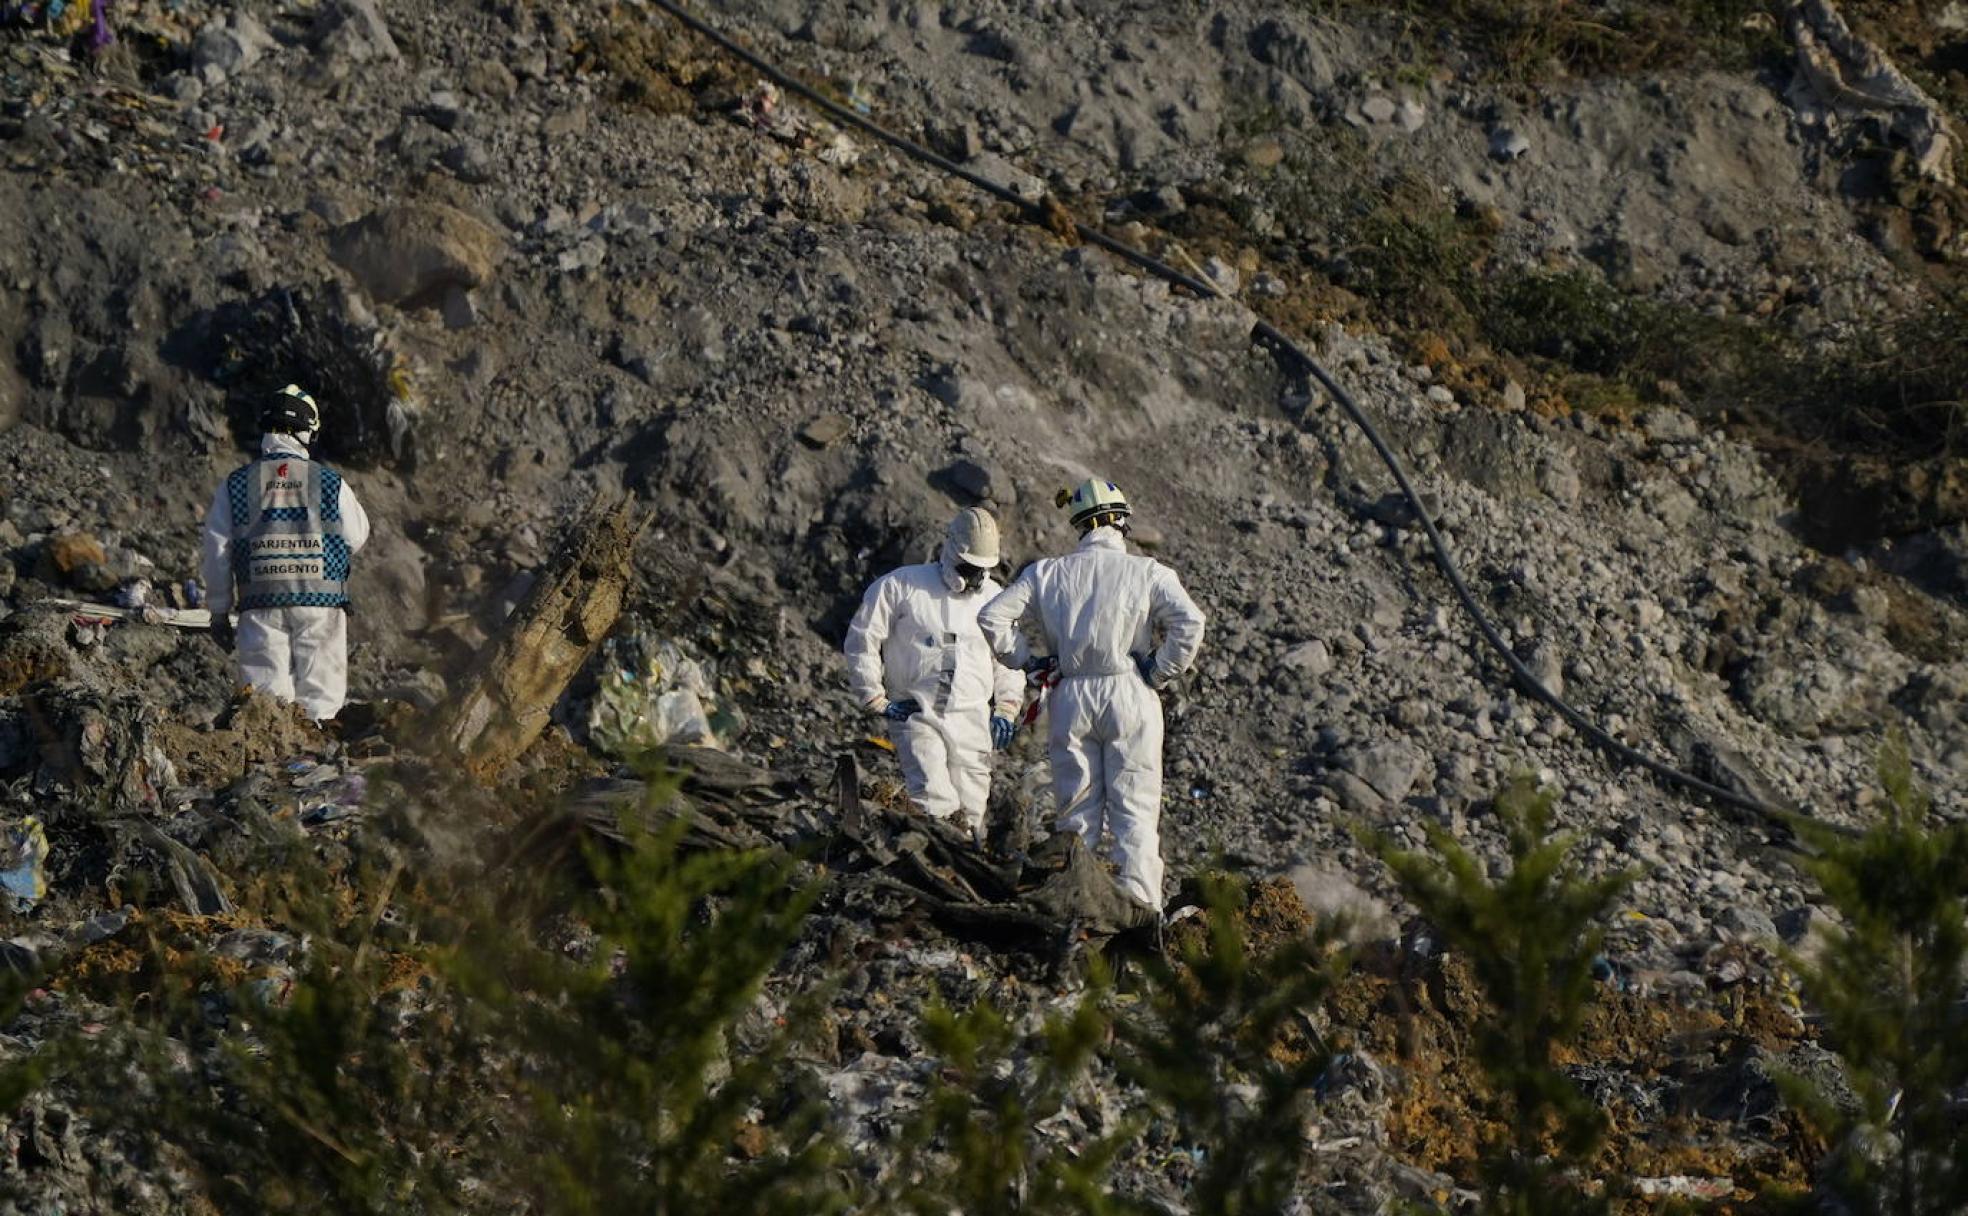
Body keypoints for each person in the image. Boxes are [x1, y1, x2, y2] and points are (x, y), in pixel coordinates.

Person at [976, 479, 1204, 912]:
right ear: (1121, 521)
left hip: (1071, 695)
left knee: (1076, 816)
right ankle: (1141, 916)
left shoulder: (1046, 573)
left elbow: (993, 617)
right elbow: (1189, 623)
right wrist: (1159, 669)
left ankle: (1075, 916)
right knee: (1134, 814)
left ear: (1080, 525)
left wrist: (1027, 661)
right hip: (1129, 691)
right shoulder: (1147, 571)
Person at [844, 507, 1026, 836]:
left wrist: (1007, 708)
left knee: (972, 810)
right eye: (968, 567)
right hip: (916, 712)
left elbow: (1009, 658)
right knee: (933, 798)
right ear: (950, 550)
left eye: (981, 570)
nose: (973, 577)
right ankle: (932, 863)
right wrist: (875, 698)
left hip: (972, 718)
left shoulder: (995, 599)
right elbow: (862, 639)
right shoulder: (902, 586)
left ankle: (960, 874)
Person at [200, 384, 371, 721]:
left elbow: (216, 550)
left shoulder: (236, 484)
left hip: (260, 605)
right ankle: (316, 758)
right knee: (322, 699)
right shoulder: (330, 482)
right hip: (320, 603)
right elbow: (356, 536)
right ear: (307, 431)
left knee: (266, 702)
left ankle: (272, 759)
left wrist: (218, 610)